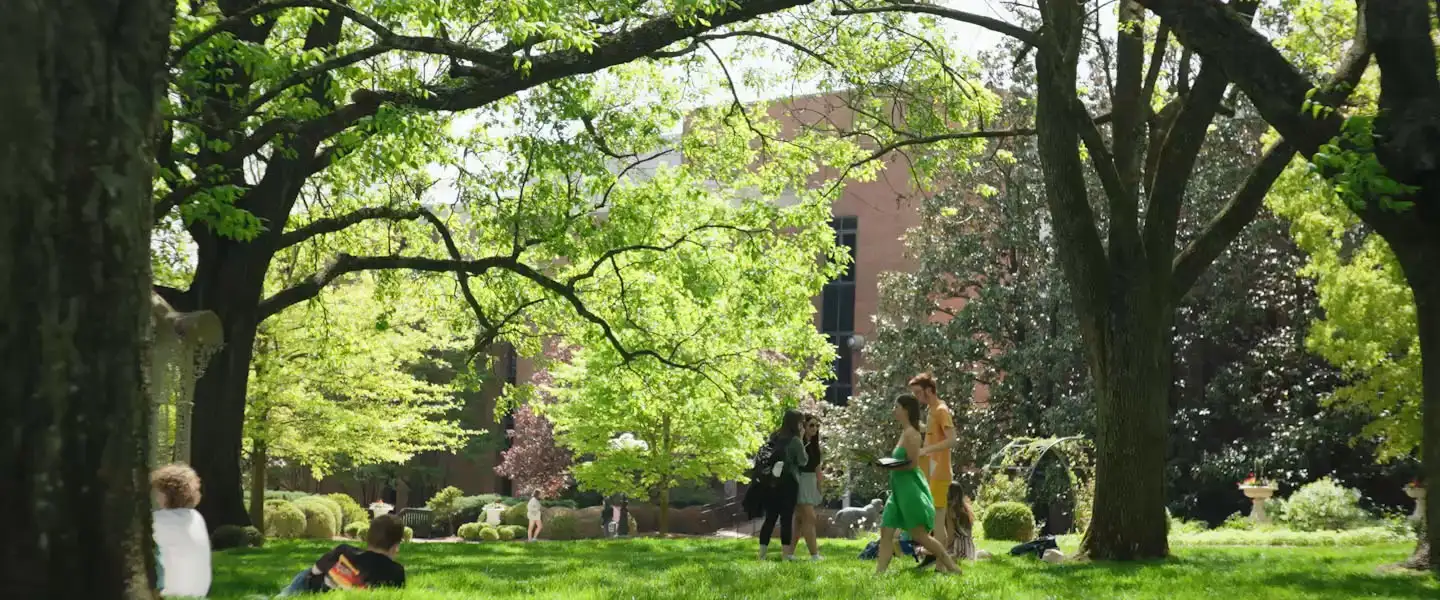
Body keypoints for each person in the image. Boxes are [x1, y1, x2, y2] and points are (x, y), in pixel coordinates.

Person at [875, 394, 960, 575]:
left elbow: (912, 464)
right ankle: (878, 574)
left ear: (905, 410)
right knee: (886, 531)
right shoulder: (904, 432)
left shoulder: (912, 435)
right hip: (897, 490)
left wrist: (888, 465)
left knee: (919, 535)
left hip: (909, 490)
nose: (894, 411)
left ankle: (950, 565)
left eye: (896, 407)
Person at [278, 515, 406, 595]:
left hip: (319, 589)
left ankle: (285, 595)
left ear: (368, 538)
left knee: (307, 573)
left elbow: (316, 570)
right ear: (395, 546)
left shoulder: (346, 551)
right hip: (348, 591)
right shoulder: (397, 571)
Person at [909, 373, 956, 565]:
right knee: (935, 519)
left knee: (938, 521)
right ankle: (938, 563)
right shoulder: (931, 410)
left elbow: (952, 440)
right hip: (930, 471)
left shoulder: (941, 410)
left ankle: (942, 567)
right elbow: (932, 433)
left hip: (939, 472)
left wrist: (926, 449)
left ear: (929, 390)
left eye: (919, 392)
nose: (917, 397)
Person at [151, 463, 211, 598]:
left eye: (158, 492)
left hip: (170, 592)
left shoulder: (158, 519)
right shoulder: (197, 517)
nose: (156, 497)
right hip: (199, 592)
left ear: (167, 494)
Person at [757, 409, 807, 560]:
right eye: (801, 422)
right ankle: (786, 555)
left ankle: (762, 555)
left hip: (771, 482)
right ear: (796, 423)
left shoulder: (775, 436)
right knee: (786, 518)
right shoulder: (796, 441)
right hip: (789, 483)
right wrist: (803, 438)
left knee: (770, 518)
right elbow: (803, 461)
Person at [793, 413, 824, 560]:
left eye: (817, 426)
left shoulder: (814, 445)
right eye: (811, 425)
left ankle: (789, 554)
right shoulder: (799, 443)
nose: (815, 428)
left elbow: (817, 468)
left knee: (799, 520)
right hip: (801, 480)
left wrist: (819, 485)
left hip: (811, 481)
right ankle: (814, 555)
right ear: (804, 426)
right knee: (810, 517)